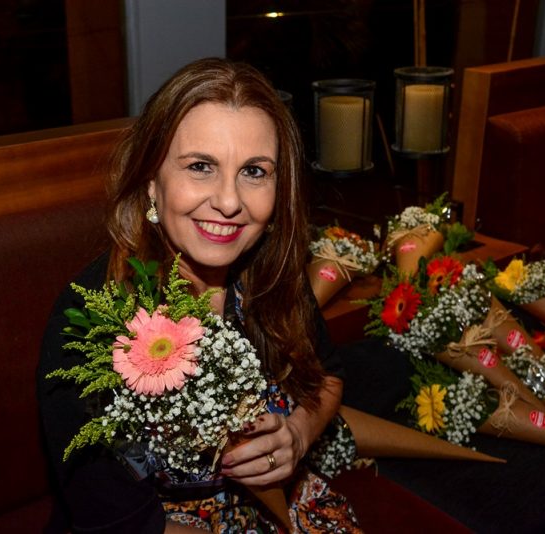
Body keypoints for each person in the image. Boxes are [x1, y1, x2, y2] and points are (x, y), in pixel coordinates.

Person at [37, 57, 362, 533]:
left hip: (275, 504)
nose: (229, 201)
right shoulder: (90, 315)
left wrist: (297, 432)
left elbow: (327, 378)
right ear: (151, 179)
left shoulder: (270, 277)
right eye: (201, 166)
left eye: (254, 171)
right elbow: (108, 513)